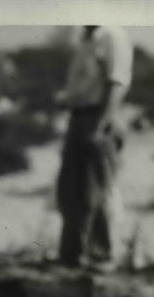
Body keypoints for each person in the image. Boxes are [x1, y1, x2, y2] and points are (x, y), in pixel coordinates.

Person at [56, 25, 133, 269]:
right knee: (71, 190)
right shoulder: (86, 39)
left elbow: (117, 83)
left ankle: (103, 254)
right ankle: (73, 254)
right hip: (77, 117)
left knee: (97, 188)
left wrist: (103, 123)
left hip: (98, 117)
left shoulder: (112, 36)